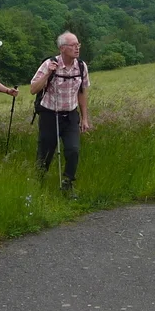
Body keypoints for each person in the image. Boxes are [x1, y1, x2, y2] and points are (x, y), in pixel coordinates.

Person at [30, 32, 92, 196]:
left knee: (73, 150)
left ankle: (68, 183)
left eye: (78, 44)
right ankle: (38, 184)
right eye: (73, 45)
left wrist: (84, 118)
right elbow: (33, 89)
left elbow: (82, 92)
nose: (77, 48)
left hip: (71, 115)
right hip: (50, 114)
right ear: (62, 48)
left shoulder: (81, 66)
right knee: (46, 152)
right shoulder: (49, 64)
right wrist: (48, 73)